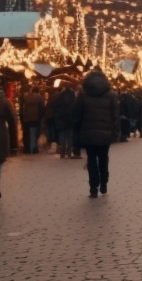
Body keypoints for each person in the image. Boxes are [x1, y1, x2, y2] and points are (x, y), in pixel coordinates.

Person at [74, 69, 120, 197]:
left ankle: (93, 187)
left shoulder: (83, 95)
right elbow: (115, 115)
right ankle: (104, 183)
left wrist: (77, 133)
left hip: (88, 133)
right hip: (106, 133)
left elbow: (77, 115)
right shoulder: (111, 95)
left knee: (92, 159)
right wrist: (116, 132)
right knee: (104, 158)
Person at [51, 79, 79, 159]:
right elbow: (75, 107)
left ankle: (62, 153)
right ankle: (69, 152)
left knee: (62, 136)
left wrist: (58, 117)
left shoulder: (60, 95)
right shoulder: (72, 95)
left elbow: (56, 107)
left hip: (62, 119)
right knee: (70, 137)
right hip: (70, 119)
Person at [20, 85, 45, 154]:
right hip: (36, 118)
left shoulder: (26, 97)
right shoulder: (40, 98)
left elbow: (22, 108)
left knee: (27, 134)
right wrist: (41, 117)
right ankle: (34, 148)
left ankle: (28, 149)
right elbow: (42, 109)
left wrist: (22, 117)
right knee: (35, 133)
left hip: (27, 118)